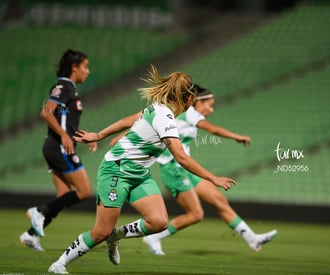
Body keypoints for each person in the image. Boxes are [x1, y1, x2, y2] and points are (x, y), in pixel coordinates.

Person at [48, 65, 236, 274]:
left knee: (158, 222)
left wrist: (100, 135)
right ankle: (59, 264)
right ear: (189, 98)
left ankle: (115, 236)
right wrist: (213, 179)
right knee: (100, 231)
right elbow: (181, 157)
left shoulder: (159, 108)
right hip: (116, 172)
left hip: (139, 175)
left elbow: (131, 119)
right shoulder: (164, 116)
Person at [142, 85, 276, 255]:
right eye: (209, 105)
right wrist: (236, 136)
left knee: (219, 200)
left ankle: (252, 239)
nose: (210, 109)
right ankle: (155, 236)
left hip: (186, 169)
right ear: (198, 102)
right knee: (196, 214)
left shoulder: (184, 114)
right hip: (173, 170)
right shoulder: (190, 112)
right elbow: (212, 129)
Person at [20, 49, 96, 251]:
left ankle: (31, 235)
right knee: (84, 191)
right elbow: (46, 112)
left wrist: (82, 136)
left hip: (55, 146)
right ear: (74, 67)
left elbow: (64, 119)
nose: (87, 71)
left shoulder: (68, 89)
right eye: (85, 67)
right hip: (59, 146)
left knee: (63, 195)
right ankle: (40, 211)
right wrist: (64, 136)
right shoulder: (64, 86)